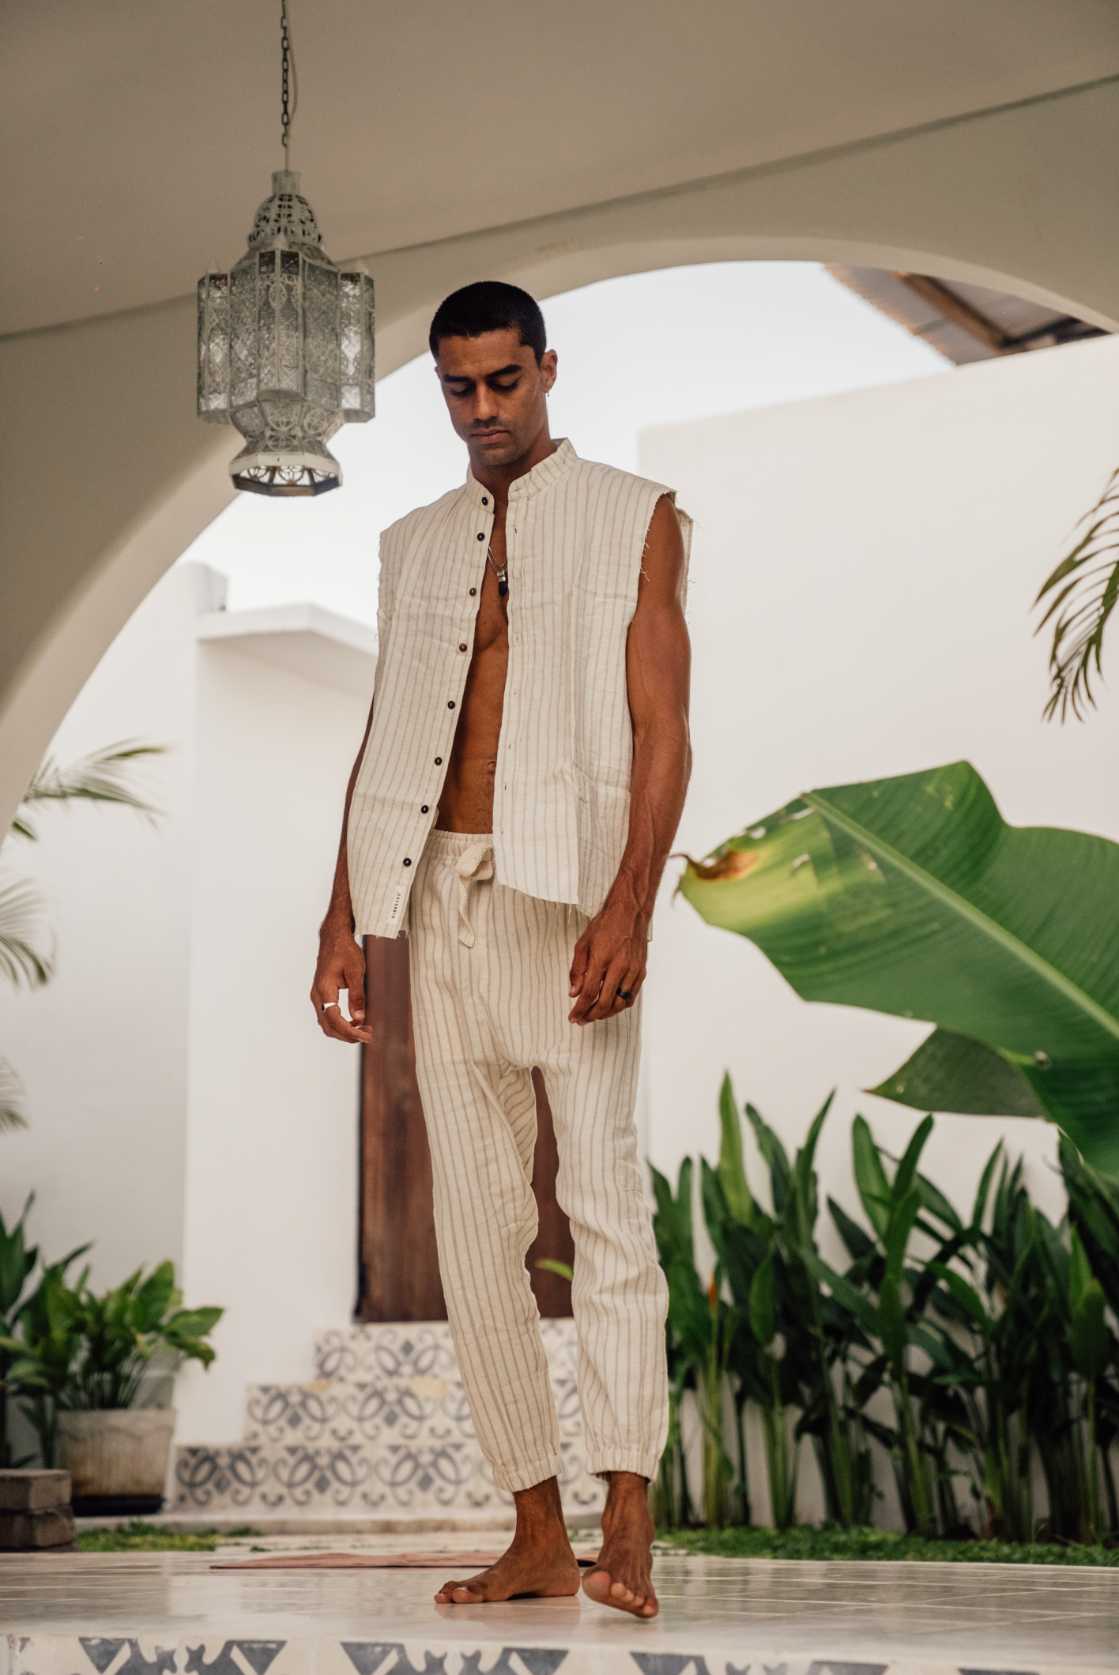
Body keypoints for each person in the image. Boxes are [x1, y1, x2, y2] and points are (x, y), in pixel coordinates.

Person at [311, 280, 693, 1620]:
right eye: (458, 390)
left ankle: (628, 1524)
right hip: (439, 899)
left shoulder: (634, 514)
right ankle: (537, 1527)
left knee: (604, 1210)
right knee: (472, 1231)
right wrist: (342, 916)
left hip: (568, 897)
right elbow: (387, 727)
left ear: (545, 368)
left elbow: (663, 726)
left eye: (503, 382)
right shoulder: (413, 542)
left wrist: (632, 902)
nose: (482, 411)